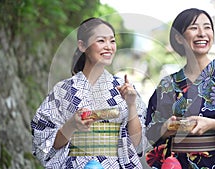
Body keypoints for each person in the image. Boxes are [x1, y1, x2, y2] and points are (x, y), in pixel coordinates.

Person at [145, 8, 215, 169]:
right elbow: (150, 130)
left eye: (207, 27)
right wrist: (166, 128)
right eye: (193, 28)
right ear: (178, 37)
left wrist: (213, 124)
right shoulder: (167, 85)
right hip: (178, 164)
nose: (202, 33)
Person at [31, 18, 147, 169]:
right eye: (101, 41)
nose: (109, 47)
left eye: (112, 41)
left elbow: (137, 143)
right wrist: (72, 124)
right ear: (82, 45)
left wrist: (131, 105)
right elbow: (47, 143)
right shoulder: (64, 90)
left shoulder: (124, 89)